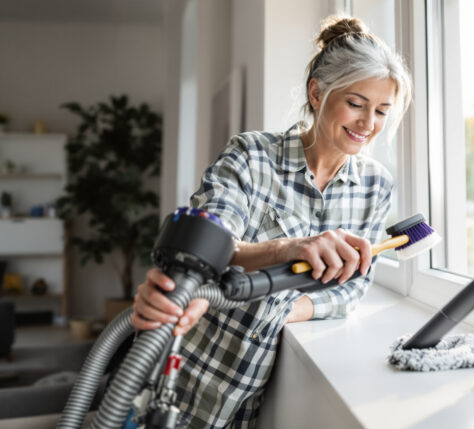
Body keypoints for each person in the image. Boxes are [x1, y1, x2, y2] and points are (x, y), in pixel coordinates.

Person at [131, 16, 412, 428]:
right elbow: (212, 238)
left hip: (244, 404)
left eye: (382, 111)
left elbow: (352, 288)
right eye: (356, 103)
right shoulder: (252, 156)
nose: (368, 124)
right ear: (318, 93)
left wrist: (281, 306)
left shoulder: (375, 187)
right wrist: (287, 249)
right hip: (175, 380)